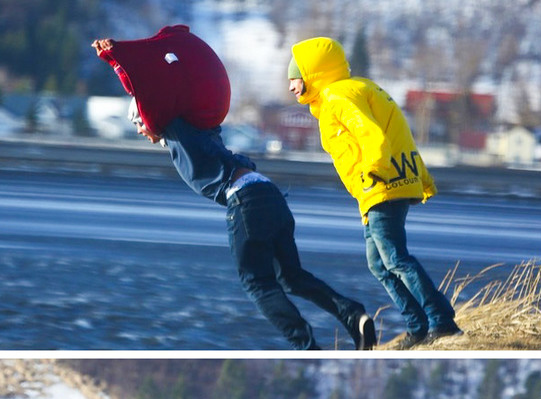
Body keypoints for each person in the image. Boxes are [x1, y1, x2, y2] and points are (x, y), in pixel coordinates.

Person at [91, 27, 376, 351]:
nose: (141, 131)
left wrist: (117, 60)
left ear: (145, 117)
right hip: (268, 193)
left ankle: (308, 348)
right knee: (291, 277)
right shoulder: (203, 128)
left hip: (245, 200)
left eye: (137, 124)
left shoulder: (176, 127)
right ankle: (354, 315)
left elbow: (147, 92)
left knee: (258, 283)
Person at [287, 37, 463, 349]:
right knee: (379, 263)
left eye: (294, 78)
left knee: (395, 258)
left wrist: (374, 169)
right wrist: (421, 176)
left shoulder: (337, 97)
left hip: (382, 183)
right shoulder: (360, 88)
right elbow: (402, 133)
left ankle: (440, 320)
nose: (291, 87)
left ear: (313, 74)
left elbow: (372, 133)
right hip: (388, 182)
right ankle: (417, 325)